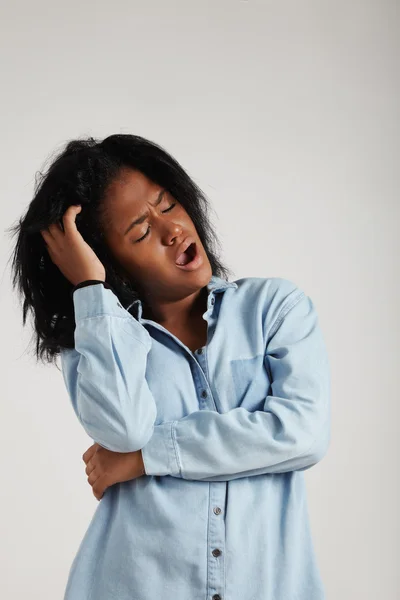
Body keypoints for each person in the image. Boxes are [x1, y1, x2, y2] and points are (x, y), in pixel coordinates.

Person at [8, 134, 331, 600]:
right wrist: (91, 288)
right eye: (140, 231)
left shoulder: (275, 309)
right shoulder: (97, 342)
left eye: (169, 204)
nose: (172, 228)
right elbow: (122, 431)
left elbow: (302, 434)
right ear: (109, 262)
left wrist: (146, 460)